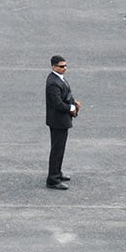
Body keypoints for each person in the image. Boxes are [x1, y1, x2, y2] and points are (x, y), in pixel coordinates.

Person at [45, 55, 80, 190]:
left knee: (60, 149)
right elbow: (57, 103)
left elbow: (66, 95)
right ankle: (53, 179)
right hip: (57, 121)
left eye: (65, 66)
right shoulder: (53, 83)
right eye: (61, 66)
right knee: (57, 150)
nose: (64, 68)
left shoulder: (59, 79)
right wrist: (71, 108)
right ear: (54, 66)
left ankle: (57, 173)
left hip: (61, 120)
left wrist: (73, 102)